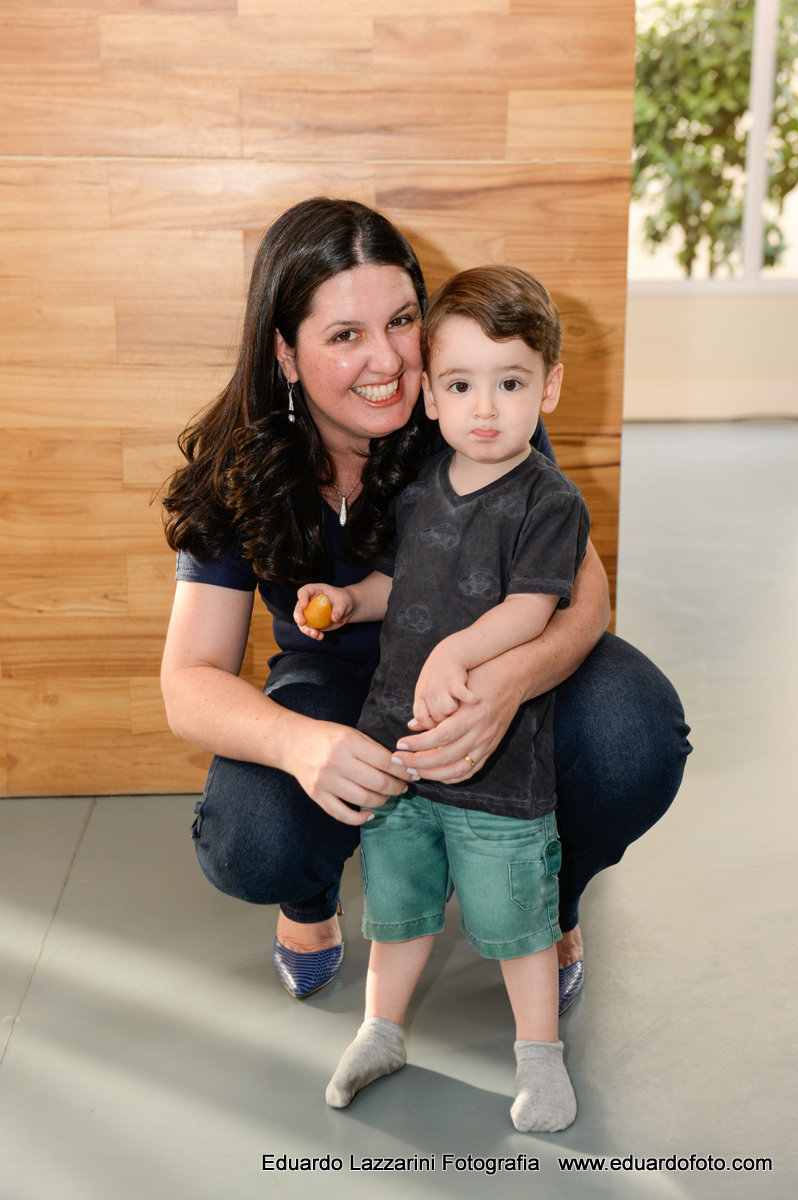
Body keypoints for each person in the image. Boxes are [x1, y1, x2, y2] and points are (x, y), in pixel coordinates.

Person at [160, 196, 690, 1009]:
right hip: (337, 683)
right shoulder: (238, 466)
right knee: (252, 840)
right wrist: (304, 748)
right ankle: (307, 905)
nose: (391, 363)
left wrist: (510, 682)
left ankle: (550, 897)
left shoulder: (473, 408)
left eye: (402, 320)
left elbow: (585, 598)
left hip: (488, 659)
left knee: (635, 734)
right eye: (344, 336)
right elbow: (189, 683)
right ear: (286, 354)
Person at [294, 265, 588, 1131]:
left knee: (516, 918)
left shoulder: (547, 499)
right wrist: (351, 599)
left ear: (550, 386)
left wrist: (458, 652)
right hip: (400, 747)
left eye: (510, 382)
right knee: (398, 902)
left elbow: (533, 606)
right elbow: (402, 579)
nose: (485, 409)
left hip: (495, 761)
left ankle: (540, 1059)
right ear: (430, 395)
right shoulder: (421, 487)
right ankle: (380, 1029)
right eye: (460, 385)